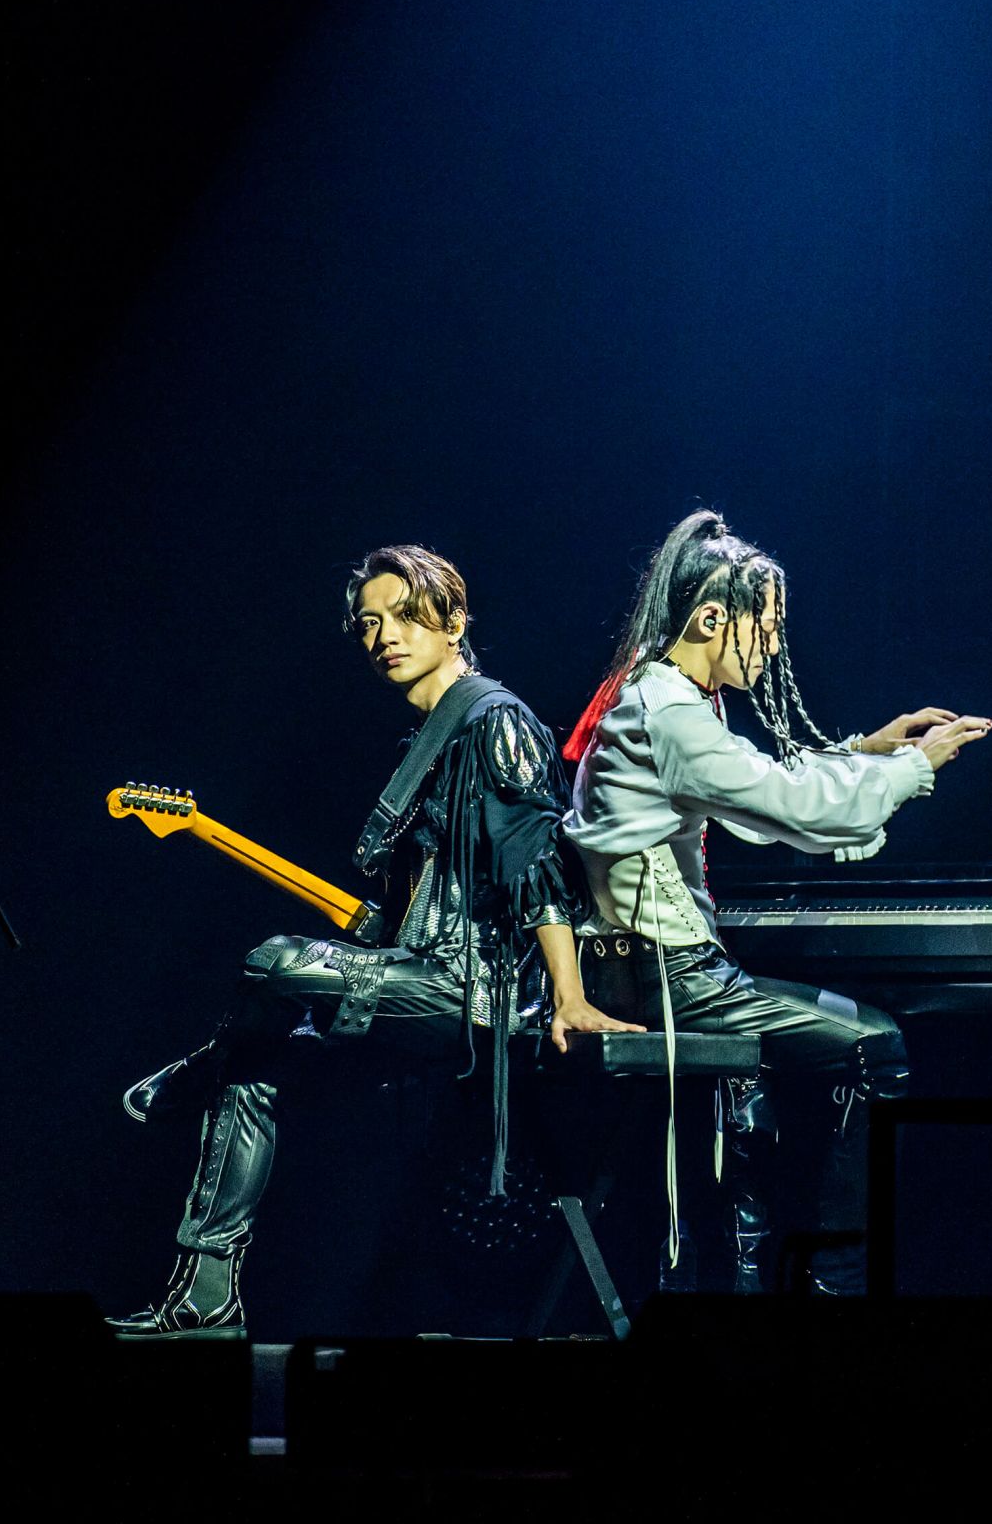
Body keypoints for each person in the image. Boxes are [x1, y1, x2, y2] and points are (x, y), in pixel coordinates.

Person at [107, 544, 643, 1339]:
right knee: (252, 1066)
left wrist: (567, 995)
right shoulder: (426, 743)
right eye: (367, 622)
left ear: (454, 621)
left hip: (474, 992)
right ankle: (205, 1295)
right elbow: (408, 912)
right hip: (412, 978)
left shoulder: (494, 721)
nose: (383, 635)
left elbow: (535, 866)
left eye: (404, 615)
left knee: (273, 960)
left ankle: (194, 1072)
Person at [561, 510, 990, 1293]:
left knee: (813, 1050)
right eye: (767, 626)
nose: (774, 645)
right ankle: (834, 1283)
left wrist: (866, 751)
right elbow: (794, 809)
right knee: (875, 1046)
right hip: (669, 980)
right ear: (711, 619)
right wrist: (914, 768)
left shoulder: (660, 696)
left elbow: (758, 786)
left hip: (650, 971)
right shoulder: (672, 715)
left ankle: (766, 1260)